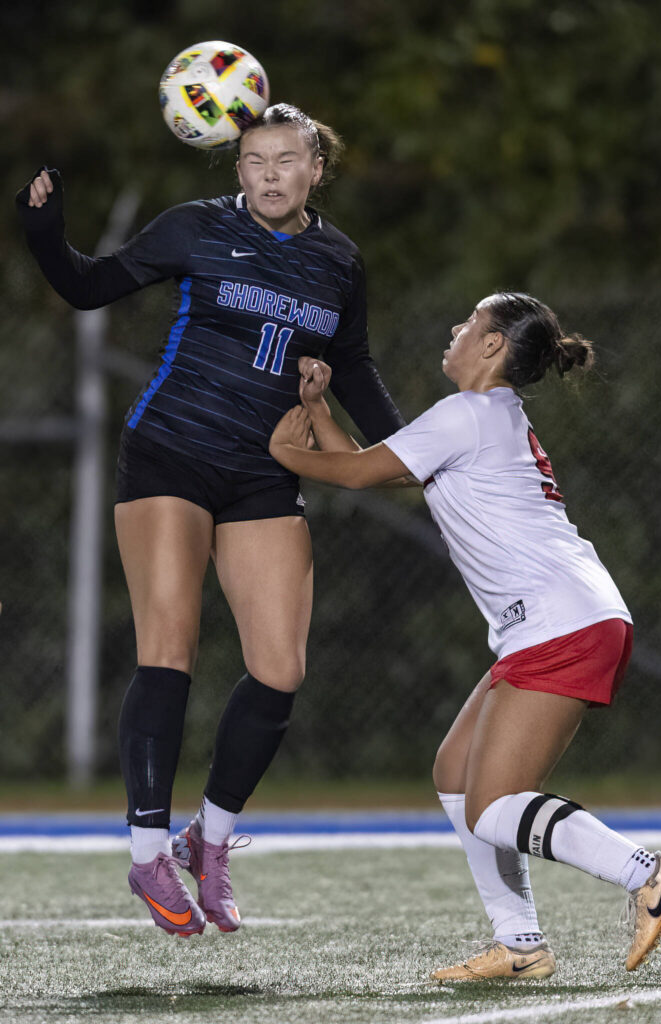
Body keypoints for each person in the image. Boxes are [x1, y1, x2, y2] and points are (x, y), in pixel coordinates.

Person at [16, 103, 404, 936]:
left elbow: (355, 365)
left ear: (315, 170)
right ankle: (148, 851)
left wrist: (415, 447)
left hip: (267, 471)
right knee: (170, 648)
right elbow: (89, 286)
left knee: (280, 670)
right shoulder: (193, 228)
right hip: (172, 457)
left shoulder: (338, 258)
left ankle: (209, 840)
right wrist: (45, 233)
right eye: (254, 159)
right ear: (236, 169)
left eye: (286, 160)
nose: (269, 173)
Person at [268, 291, 661, 977]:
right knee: (456, 775)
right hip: (562, 619)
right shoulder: (484, 415)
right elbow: (376, 467)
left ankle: (644, 871)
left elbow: (351, 472)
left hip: (563, 623)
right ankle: (520, 947)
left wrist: (286, 452)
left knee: (494, 806)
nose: (457, 329)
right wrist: (317, 413)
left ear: (493, 347)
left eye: (469, 323)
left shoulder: (467, 414)